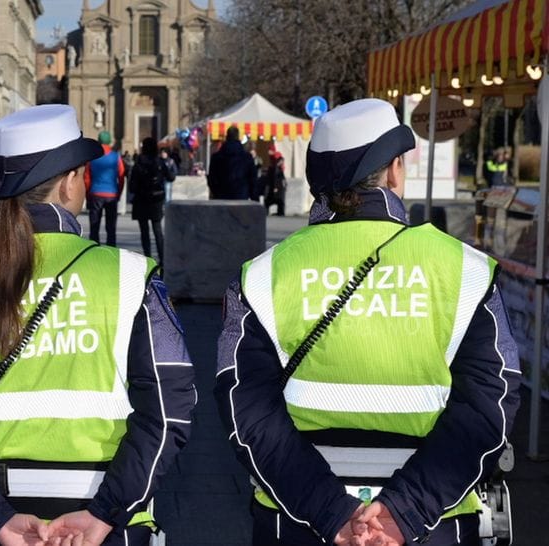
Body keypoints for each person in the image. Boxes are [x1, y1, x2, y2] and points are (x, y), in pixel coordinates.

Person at [215, 98, 520, 546]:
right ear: (395, 170)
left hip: (297, 523)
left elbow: (246, 411)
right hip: (434, 523)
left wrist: (331, 510)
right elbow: (491, 405)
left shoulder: (260, 275)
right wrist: (403, 511)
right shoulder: (466, 270)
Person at [0, 104, 196, 546]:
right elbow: (172, 410)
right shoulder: (131, 278)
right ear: (71, 181)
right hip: (105, 518)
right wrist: (105, 513)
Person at [130, 137, 172, 265]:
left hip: (141, 199)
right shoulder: (159, 162)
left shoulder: (138, 163)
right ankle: (163, 258)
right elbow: (171, 177)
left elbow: (132, 186)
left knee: (144, 231)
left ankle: (148, 258)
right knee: (158, 230)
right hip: (156, 199)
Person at [83, 130, 125, 246]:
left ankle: (94, 252)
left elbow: (86, 178)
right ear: (110, 142)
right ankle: (111, 252)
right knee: (111, 228)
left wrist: (87, 194)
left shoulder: (92, 158)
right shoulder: (116, 157)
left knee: (94, 227)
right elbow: (121, 177)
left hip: (95, 193)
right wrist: (118, 193)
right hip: (111, 194)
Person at [207, 126, 257, 200]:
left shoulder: (216, 157)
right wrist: (253, 196)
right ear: (238, 137)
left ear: (227, 137)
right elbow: (253, 179)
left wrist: (216, 193)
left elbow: (212, 179)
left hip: (221, 197)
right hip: (241, 197)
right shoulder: (247, 158)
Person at [261, 147, 286, 216]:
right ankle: (280, 212)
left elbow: (275, 174)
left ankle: (277, 212)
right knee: (279, 200)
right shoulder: (275, 158)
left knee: (270, 199)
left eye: (269, 150)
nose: (268, 152)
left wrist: (275, 186)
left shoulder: (275, 158)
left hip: (276, 184)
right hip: (279, 183)